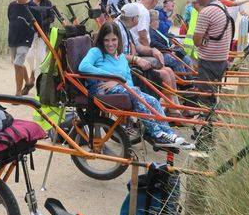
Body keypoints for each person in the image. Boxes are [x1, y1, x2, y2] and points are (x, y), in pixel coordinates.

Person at [78, 22, 194, 150]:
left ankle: (170, 135)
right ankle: (156, 133)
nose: (110, 44)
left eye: (114, 39)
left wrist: (120, 81)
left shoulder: (121, 57)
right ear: (101, 40)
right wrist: (113, 77)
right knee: (134, 93)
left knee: (153, 100)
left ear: (119, 40)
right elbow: (83, 67)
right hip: (102, 89)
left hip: (121, 88)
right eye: (106, 40)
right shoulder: (96, 52)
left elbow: (127, 79)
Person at [192, 0, 234, 105]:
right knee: (214, 92)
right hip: (221, 58)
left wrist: (204, 37)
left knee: (205, 95)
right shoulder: (221, 5)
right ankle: (211, 116)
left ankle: (206, 120)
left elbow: (197, 41)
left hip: (209, 60)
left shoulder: (206, 12)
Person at [25, 0, 54, 95]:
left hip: (43, 34)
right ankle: (32, 73)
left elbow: (52, 18)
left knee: (41, 58)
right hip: (30, 34)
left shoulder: (47, 3)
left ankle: (38, 82)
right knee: (30, 56)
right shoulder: (28, 3)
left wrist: (42, 23)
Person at [7, 0, 34, 95]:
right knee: (18, 63)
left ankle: (18, 93)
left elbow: (37, 24)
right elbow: (10, 19)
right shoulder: (12, 5)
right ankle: (28, 82)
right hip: (13, 38)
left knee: (18, 64)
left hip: (26, 40)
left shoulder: (33, 7)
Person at [149, 9, 192, 74]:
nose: (159, 21)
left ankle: (191, 77)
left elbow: (167, 38)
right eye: (157, 20)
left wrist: (171, 44)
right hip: (163, 53)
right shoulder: (150, 32)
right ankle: (184, 78)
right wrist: (169, 49)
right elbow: (154, 43)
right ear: (151, 21)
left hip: (169, 51)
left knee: (185, 57)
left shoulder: (157, 31)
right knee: (176, 61)